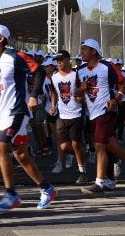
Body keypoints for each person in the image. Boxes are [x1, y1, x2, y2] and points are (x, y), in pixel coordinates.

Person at [0, 24, 57, 211]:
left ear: (1, 38)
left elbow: (38, 71)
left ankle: (11, 195)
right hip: (2, 113)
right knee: (21, 154)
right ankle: (47, 188)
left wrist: (33, 95)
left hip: (16, 111)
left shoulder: (15, 56)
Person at [77, 39, 125, 195]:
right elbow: (76, 94)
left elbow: (123, 84)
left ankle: (99, 183)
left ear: (93, 51)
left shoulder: (107, 67)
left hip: (107, 111)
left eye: (85, 49)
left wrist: (116, 99)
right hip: (91, 112)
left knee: (99, 145)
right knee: (109, 144)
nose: (82, 52)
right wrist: (81, 89)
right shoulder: (80, 70)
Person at [49, 50, 88, 184]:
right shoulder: (54, 77)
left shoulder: (76, 75)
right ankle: (82, 155)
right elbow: (53, 91)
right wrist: (53, 105)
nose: (58, 62)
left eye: (61, 60)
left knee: (76, 143)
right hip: (62, 115)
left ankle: (82, 172)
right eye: (57, 60)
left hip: (76, 113)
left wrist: (80, 98)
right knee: (65, 146)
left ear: (68, 60)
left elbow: (83, 91)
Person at [42, 57, 65, 174]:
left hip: (61, 110)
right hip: (49, 110)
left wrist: (54, 105)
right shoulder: (43, 79)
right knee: (57, 137)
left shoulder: (58, 77)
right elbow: (47, 94)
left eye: (47, 66)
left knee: (63, 137)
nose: (45, 68)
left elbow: (55, 93)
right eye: (44, 66)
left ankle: (62, 160)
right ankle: (59, 161)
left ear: (52, 66)